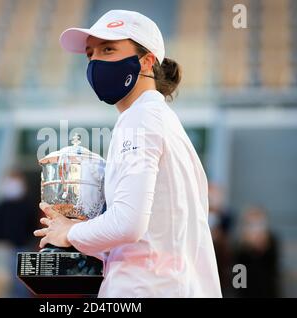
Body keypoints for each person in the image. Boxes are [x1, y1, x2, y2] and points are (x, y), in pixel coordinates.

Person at [34, 10, 222, 297]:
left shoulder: (141, 118)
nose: (95, 61)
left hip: (145, 290)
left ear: (147, 61)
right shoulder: (161, 119)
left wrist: (68, 232)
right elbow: (150, 232)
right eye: (89, 54)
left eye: (108, 49)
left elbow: (129, 224)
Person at [233, 206, 280, 298]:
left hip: (267, 290)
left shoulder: (272, 240)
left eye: (259, 224)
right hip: (246, 291)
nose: (255, 229)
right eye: (251, 225)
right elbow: (238, 275)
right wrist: (247, 248)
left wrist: (262, 247)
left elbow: (272, 266)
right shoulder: (239, 243)